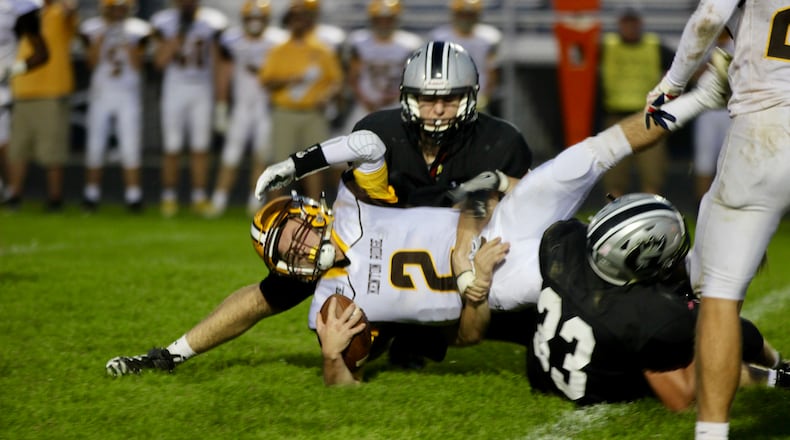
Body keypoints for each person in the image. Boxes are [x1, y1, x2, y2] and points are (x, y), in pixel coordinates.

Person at [103, 47, 730, 381]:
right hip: (471, 280)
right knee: (594, 318)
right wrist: (334, 353)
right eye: (424, 99)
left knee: (593, 159)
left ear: (469, 98)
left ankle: (701, 98)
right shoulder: (334, 264)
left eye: (446, 98)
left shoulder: (489, 141)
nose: (433, 110)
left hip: (480, 238)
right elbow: (280, 301)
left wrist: (295, 164)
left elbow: (483, 186)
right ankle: (708, 325)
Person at [644, 1, 790, 438]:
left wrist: (672, 85)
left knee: (719, 298)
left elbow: (709, 17)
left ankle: (711, 433)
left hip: (768, 125)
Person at [526, 193, 790, 411]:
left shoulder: (561, 240)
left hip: (544, 371)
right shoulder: (649, 314)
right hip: (596, 384)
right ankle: (780, 376)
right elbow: (685, 395)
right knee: (718, 344)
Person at [206, 0, 287, 218]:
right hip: (241, 106)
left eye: (258, 18)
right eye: (251, 18)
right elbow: (224, 73)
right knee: (231, 154)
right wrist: (221, 105)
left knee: (261, 156)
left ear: (267, 19)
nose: (254, 22)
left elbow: (284, 74)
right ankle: (219, 200)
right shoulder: (232, 40)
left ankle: (254, 202)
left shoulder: (278, 41)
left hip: (266, 106)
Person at [258, 0, 343, 202]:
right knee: (279, 165)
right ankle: (274, 212)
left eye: (302, 18)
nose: (298, 22)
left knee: (314, 165)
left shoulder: (322, 50)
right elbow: (266, 80)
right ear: (288, 21)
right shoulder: (278, 50)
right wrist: (290, 79)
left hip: (313, 113)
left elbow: (337, 81)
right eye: (295, 18)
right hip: (285, 111)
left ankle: (314, 210)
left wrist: (327, 95)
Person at [150, 0, 227, 217]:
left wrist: (221, 98)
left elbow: (218, 61)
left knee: (200, 147)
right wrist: (176, 40)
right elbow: (159, 62)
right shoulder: (163, 22)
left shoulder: (212, 22)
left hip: (202, 88)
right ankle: (169, 197)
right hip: (174, 86)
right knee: (172, 146)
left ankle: (199, 196)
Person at [79, 0, 151, 212]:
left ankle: (134, 197)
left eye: (121, 7)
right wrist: (101, 40)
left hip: (128, 94)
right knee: (95, 145)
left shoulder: (139, 30)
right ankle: (90, 195)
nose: (117, 12)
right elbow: (90, 63)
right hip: (101, 93)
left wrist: (129, 46)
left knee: (130, 146)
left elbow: (139, 66)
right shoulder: (92, 28)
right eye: (113, 7)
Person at [4, 0, 75, 212]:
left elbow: (70, 11)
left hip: (51, 90)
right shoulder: (19, 12)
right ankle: (14, 196)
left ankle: (55, 199)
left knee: (51, 150)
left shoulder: (58, 12)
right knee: (18, 149)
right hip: (22, 89)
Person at [598, 6, 674, 198]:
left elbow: (676, 71)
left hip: (647, 116)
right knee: (614, 178)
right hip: (616, 116)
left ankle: (650, 214)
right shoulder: (608, 45)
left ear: (640, 24)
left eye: (633, 23)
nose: (630, 28)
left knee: (653, 175)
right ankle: (613, 219)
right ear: (619, 25)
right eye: (626, 23)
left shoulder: (653, 46)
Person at [341, 0, 422, 134]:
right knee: (353, 144)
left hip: (397, 103)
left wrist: (394, 97)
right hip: (364, 104)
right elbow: (352, 76)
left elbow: (414, 79)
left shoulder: (409, 44)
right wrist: (364, 99)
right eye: (379, 19)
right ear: (372, 20)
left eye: (388, 20)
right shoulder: (359, 41)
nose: (383, 24)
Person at [0, 0, 48, 203]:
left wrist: (10, 71)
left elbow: (42, 53)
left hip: (1, 89)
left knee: (5, 143)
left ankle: (12, 193)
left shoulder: (19, 7)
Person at [428, 0, 501, 112]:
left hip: (477, 94)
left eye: (470, 15)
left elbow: (491, 70)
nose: (466, 19)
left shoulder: (489, 37)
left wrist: (486, 96)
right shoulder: (439, 37)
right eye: (462, 14)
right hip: (447, 94)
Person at [691, 32, 732, 204]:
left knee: (730, 162)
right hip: (707, 110)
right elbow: (691, 76)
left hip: (730, 109)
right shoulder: (704, 44)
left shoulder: (740, 41)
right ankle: (701, 206)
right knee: (704, 162)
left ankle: (729, 205)